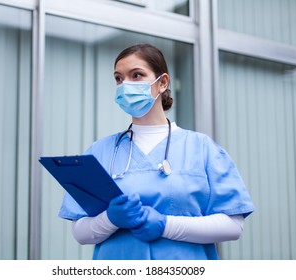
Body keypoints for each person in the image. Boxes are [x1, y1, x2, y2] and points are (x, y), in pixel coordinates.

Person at [58, 43, 255, 260]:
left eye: (137, 75)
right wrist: (110, 219)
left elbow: (233, 226)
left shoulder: (202, 149)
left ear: (162, 83)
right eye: (119, 78)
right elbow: (80, 232)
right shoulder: (100, 151)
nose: (125, 85)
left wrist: (165, 226)